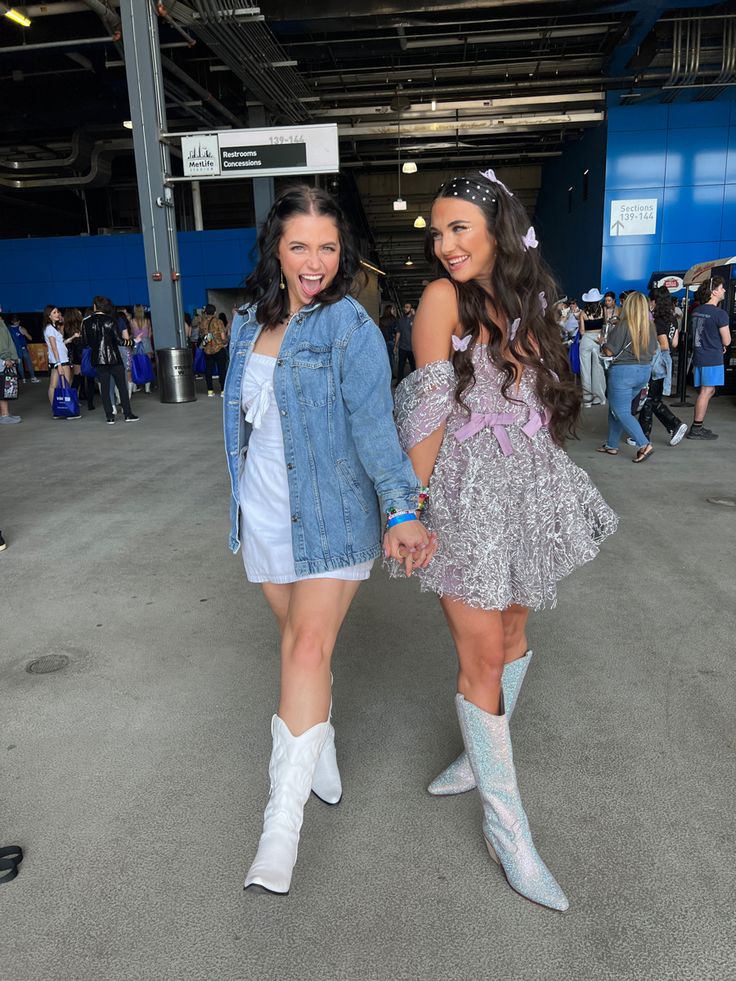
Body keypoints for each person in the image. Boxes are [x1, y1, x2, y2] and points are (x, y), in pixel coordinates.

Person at [390, 170, 617, 912]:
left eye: (459, 227)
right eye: (437, 229)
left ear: (497, 229)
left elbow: (544, 392)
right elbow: (427, 409)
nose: (444, 242)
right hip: (466, 493)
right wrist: (408, 508)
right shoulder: (438, 300)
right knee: (481, 651)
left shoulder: (529, 297)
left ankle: (473, 754)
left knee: (515, 630)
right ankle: (507, 827)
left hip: (528, 485)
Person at [223, 184, 434, 896]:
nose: (314, 261)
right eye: (298, 245)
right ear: (275, 250)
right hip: (264, 510)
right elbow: (245, 428)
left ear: (342, 253)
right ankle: (322, 742)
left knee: (307, 649)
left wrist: (401, 509)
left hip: (335, 513)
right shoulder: (247, 322)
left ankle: (279, 830)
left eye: (327, 246)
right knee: (298, 647)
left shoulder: (351, 327)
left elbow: (375, 426)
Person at [597, 291, 658, 461]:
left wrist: (602, 343)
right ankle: (611, 444)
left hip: (623, 373)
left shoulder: (623, 325)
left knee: (621, 410)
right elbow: (653, 350)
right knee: (616, 408)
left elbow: (609, 350)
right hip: (644, 372)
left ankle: (644, 444)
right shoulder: (649, 327)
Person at [638, 289, 687, 446]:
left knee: (649, 399)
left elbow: (664, 345)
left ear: (654, 301)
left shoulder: (658, 321)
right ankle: (642, 435)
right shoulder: (672, 319)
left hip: (657, 362)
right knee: (652, 398)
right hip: (667, 361)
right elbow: (674, 343)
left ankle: (674, 424)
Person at [81, 296, 139, 425]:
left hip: (98, 360)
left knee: (105, 389)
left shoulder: (86, 322)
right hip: (114, 358)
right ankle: (128, 414)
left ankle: (109, 417)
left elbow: (85, 343)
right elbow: (119, 341)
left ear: (95, 306)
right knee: (122, 387)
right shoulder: (111, 320)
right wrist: (132, 342)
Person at [687, 276, 731, 440]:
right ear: (714, 291)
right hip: (712, 357)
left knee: (708, 390)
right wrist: (723, 344)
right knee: (706, 392)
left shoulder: (697, 310)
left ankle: (698, 426)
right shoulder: (720, 314)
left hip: (699, 355)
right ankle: (696, 428)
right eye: (721, 288)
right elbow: (727, 340)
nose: (724, 290)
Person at [43, 305, 75, 415]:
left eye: (57, 312)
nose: (58, 314)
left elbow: (60, 344)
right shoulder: (50, 329)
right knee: (64, 385)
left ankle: (56, 409)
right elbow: (54, 347)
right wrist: (59, 364)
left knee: (54, 385)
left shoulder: (52, 328)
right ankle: (66, 409)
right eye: (55, 312)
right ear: (49, 315)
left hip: (57, 361)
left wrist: (71, 338)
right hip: (61, 361)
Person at [578, 289, 607, 407]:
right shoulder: (603, 310)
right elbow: (605, 326)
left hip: (586, 340)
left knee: (585, 371)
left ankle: (587, 401)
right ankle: (600, 398)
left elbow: (582, 331)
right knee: (598, 370)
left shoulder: (583, 313)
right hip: (598, 339)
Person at [199, 303, 228, 397]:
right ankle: (223, 391)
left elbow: (202, 336)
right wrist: (225, 342)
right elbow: (223, 336)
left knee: (208, 370)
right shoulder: (219, 322)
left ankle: (210, 391)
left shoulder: (202, 322)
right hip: (219, 348)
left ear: (206, 312)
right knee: (222, 370)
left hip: (207, 350)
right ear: (215, 312)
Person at [0, 314, 21, 424]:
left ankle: (5, 413)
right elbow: (2, 342)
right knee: (3, 387)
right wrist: (7, 358)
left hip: (3, 359)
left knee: (4, 387)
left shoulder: (1, 322)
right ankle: (4, 415)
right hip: (2, 359)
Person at [131, 304, 154, 393]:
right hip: (146, 344)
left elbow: (133, 333)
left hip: (137, 344)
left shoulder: (132, 321)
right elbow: (150, 334)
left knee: (136, 365)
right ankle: (147, 388)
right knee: (147, 365)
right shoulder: (147, 321)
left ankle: (135, 384)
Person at [7, 315, 38, 383]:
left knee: (19, 365)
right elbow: (30, 338)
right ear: (18, 321)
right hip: (22, 349)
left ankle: (23, 379)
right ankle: (32, 377)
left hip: (14, 350)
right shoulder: (21, 328)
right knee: (28, 363)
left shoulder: (8, 329)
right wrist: (25, 333)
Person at [395, 302, 416, 380]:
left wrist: (415, 315)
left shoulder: (415, 319)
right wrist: (395, 345)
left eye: (407, 307)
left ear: (411, 309)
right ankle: (399, 382)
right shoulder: (401, 320)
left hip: (412, 348)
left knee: (413, 366)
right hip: (403, 347)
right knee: (400, 366)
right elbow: (398, 332)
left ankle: (415, 382)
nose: (405, 309)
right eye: (405, 307)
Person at [378, 302, 398, 376]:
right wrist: (396, 344)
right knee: (391, 358)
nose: (393, 311)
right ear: (390, 310)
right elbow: (396, 332)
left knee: (384, 358)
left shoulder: (381, 319)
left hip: (382, 341)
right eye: (393, 309)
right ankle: (391, 374)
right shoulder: (393, 319)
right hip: (390, 341)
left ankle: (384, 374)